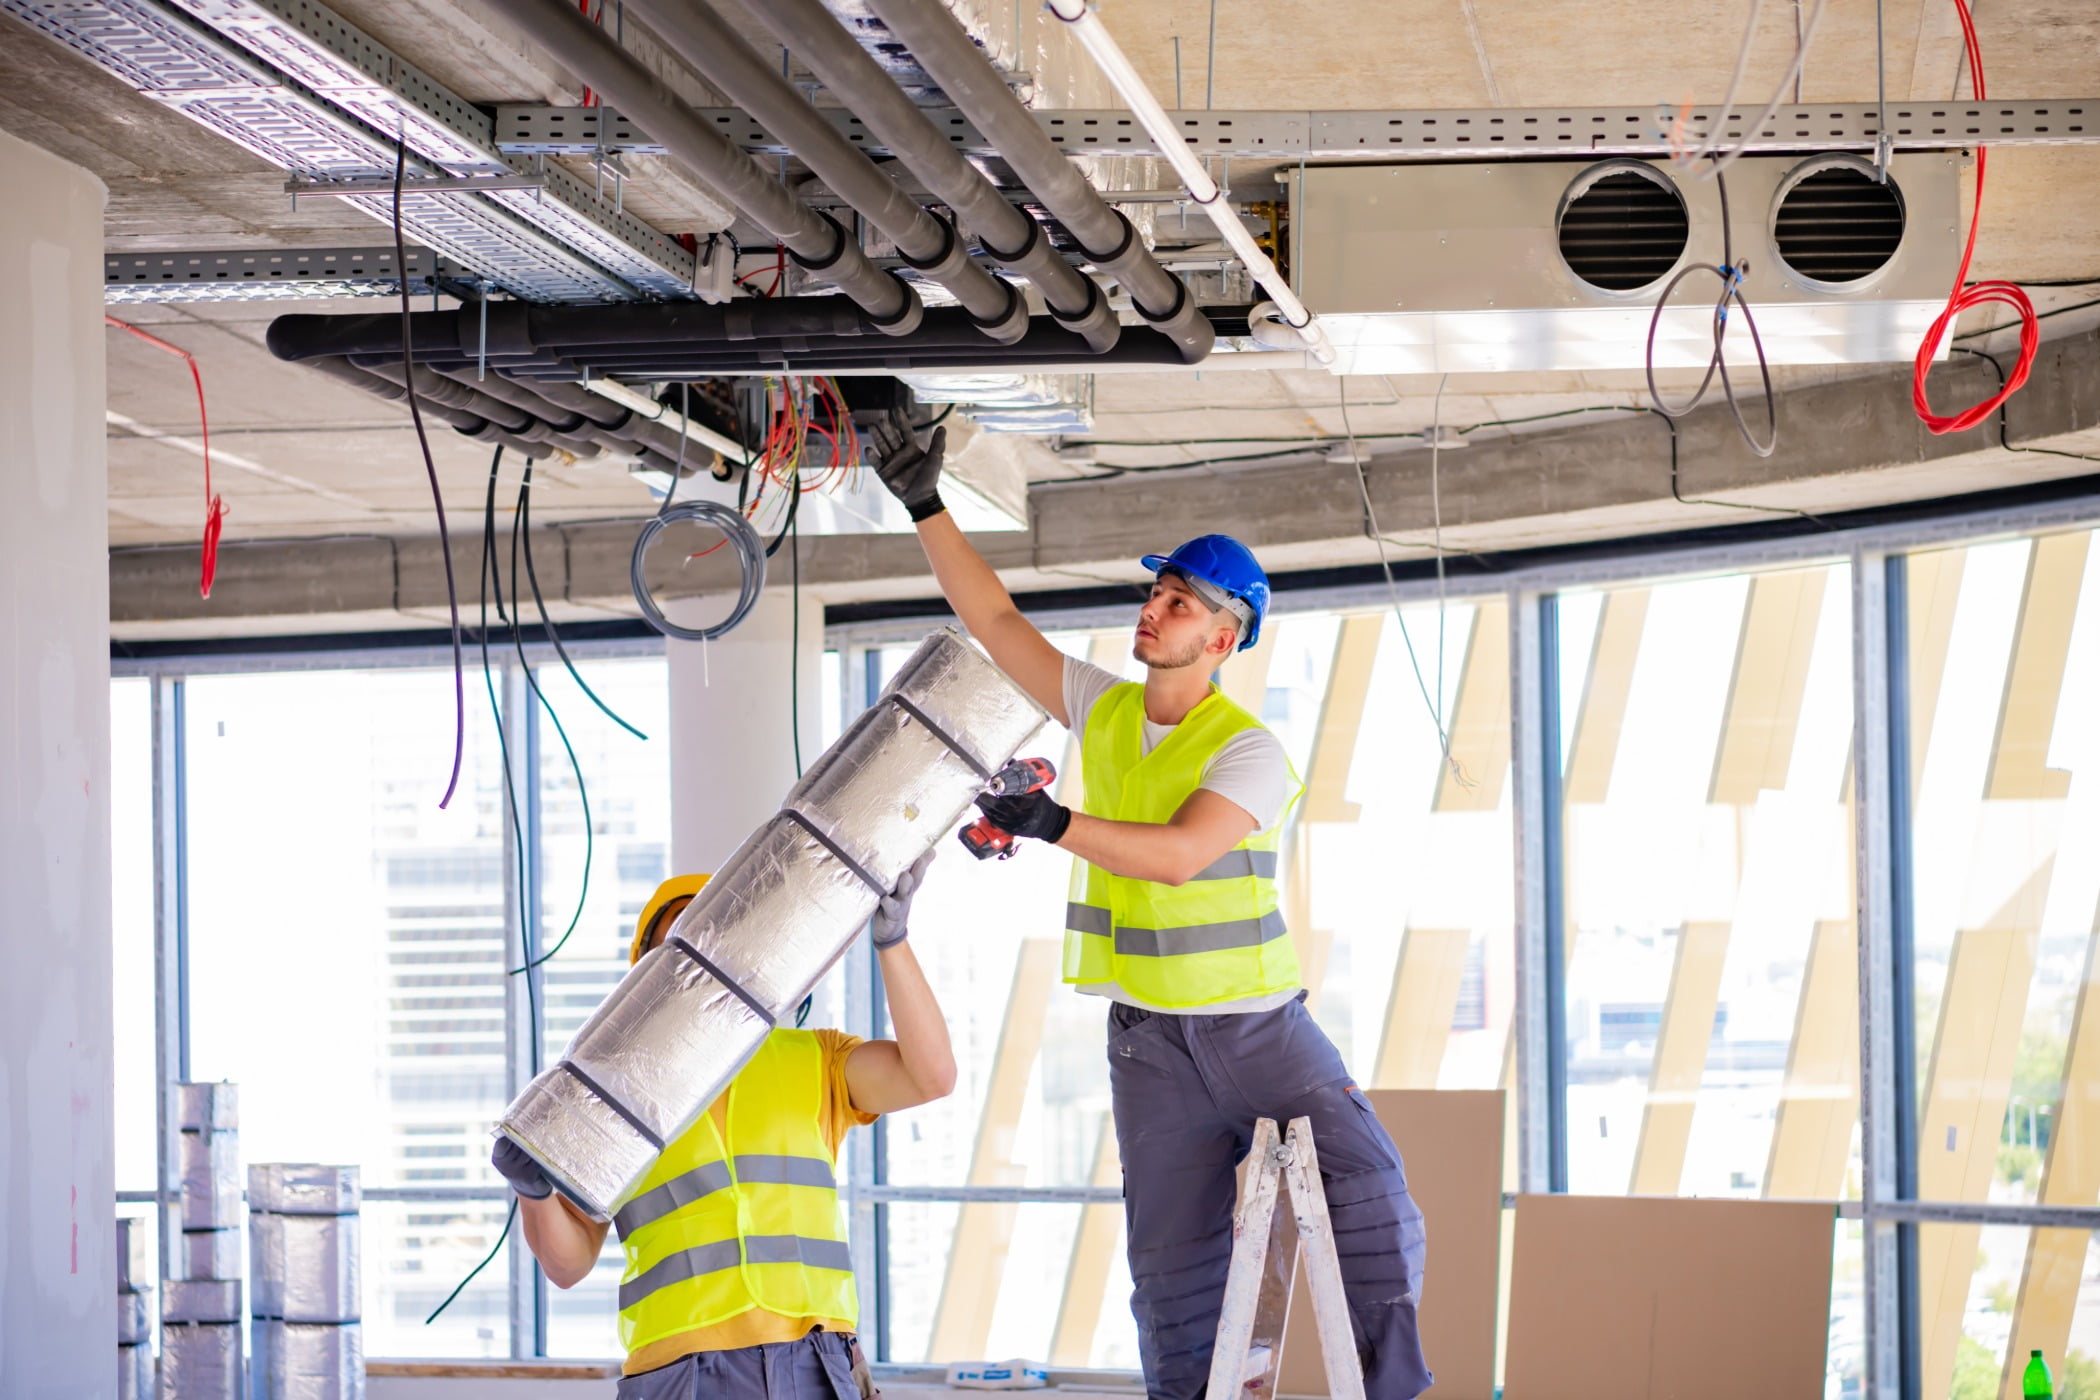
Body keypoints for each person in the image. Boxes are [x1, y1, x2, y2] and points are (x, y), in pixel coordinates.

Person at [869, 413, 1430, 1399]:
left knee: (1374, 1195)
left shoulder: (1247, 748)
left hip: (1263, 1033)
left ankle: (1392, 1388)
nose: (1154, 608)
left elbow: (1177, 856)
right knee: (1171, 1280)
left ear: (1225, 636)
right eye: (1155, 591)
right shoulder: (1109, 709)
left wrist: (1051, 822)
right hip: (1148, 1048)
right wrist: (925, 502)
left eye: (1181, 601)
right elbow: (997, 624)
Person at [492, 851, 954, 1399]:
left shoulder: (815, 1059)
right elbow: (566, 1267)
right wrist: (533, 1191)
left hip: (815, 1360)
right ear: (642, 976)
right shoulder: (606, 1099)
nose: (697, 972)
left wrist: (893, 943)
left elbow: (932, 1077)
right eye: (675, 956)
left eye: (711, 949)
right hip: (680, 1372)